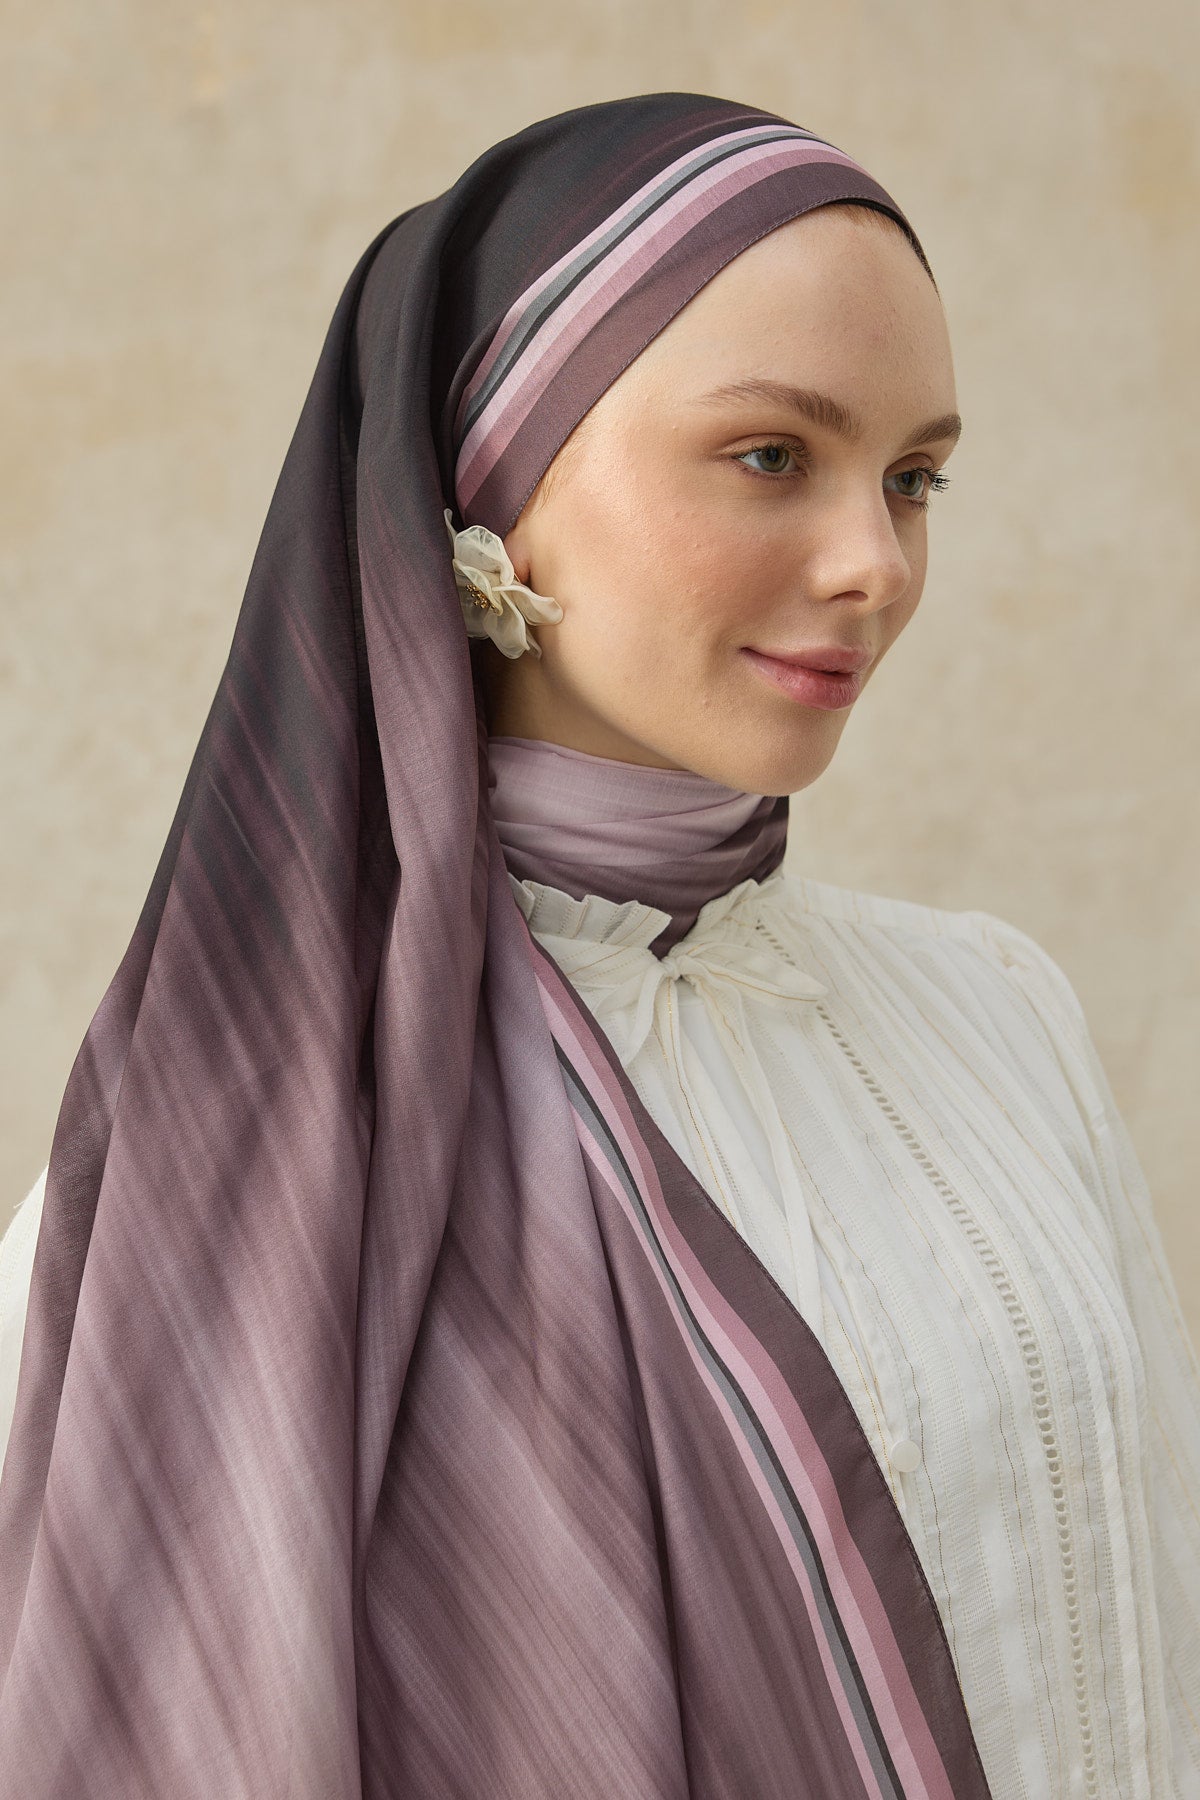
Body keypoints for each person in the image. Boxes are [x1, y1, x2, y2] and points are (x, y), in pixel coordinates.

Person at [0, 89, 1196, 1800]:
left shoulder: (995, 1014)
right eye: (772, 455)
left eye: (915, 477)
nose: (875, 564)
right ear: (488, 476)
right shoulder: (229, 1160)